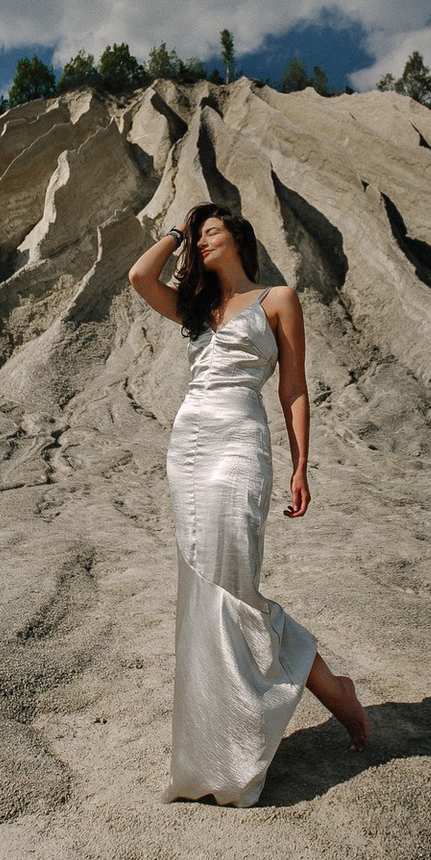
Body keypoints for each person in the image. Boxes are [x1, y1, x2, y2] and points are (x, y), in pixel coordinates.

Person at [127, 202, 369, 807]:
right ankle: (215, 750)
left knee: (233, 585)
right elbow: (138, 276)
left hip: (238, 443)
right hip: (189, 445)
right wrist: (178, 231)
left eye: (212, 231)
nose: (203, 241)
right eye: (198, 237)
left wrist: (300, 465)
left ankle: (329, 690)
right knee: (202, 590)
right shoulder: (196, 308)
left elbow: (293, 388)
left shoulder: (278, 299)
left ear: (238, 237)